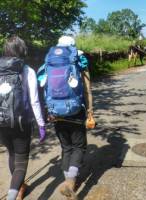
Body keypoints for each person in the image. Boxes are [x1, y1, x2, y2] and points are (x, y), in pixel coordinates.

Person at [37, 35, 95, 199]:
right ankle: (70, 183)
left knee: (66, 147)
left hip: (55, 111)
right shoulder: (79, 60)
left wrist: (47, 112)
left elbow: (43, 88)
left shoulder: (48, 62)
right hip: (75, 110)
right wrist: (90, 111)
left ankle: (68, 181)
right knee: (79, 146)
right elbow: (87, 90)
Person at [0, 36, 46, 200]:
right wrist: (41, 124)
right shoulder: (27, 70)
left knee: (11, 154)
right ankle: (13, 196)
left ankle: (19, 187)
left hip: (1, 122)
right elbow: (34, 101)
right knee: (20, 160)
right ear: (22, 50)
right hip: (21, 123)